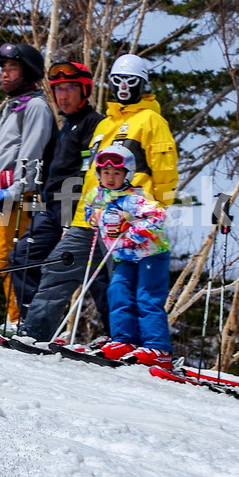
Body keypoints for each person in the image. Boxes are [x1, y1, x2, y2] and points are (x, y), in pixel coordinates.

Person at [12, 53, 178, 350]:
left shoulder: (151, 121)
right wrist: (83, 211)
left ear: (143, 84)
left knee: (120, 283)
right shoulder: (105, 125)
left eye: (131, 82)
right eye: (118, 82)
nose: (124, 88)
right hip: (90, 216)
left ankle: (132, 342)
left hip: (126, 218)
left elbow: (165, 172)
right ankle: (35, 331)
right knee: (56, 268)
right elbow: (91, 173)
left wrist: (155, 212)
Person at [7, 61, 105, 321]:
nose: (63, 95)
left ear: (85, 90)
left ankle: (117, 336)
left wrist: (71, 213)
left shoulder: (94, 124)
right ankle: (31, 323)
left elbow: (88, 174)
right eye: (58, 89)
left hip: (75, 212)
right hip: (49, 208)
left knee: (93, 273)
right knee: (22, 258)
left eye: (70, 87)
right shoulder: (67, 126)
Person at [0, 42, 56, 328]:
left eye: (12, 69)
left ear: (29, 72)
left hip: (14, 195)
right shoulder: (12, 105)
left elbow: (31, 153)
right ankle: (16, 316)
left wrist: (20, 187)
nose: (5, 75)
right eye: (3, 69)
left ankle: (21, 318)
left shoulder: (35, 106)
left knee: (10, 257)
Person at [81, 145, 172, 367]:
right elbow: (89, 210)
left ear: (126, 175)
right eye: (106, 173)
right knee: (117, 291)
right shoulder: (96, 195)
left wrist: (132, 232)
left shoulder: (135, 198)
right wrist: (92, 217)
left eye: (117, 173)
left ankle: (157, 346)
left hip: (151, 254)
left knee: (146, 296)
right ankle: (125, 340)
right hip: (124, 256)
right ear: (99, 174)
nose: (111, 178)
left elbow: (158, 216)